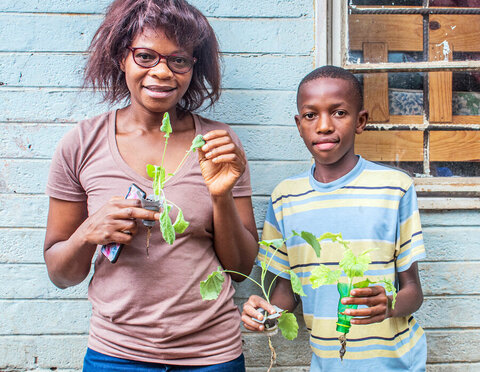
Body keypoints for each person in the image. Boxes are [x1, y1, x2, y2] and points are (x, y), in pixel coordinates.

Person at [44, 0, 258, 370]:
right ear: (121, 58)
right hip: (116, 355)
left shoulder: (217, 144)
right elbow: (62, 275)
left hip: (212, 356)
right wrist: (87, 233)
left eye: (179, 60)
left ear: (194, 67)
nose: (162, 72)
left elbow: (239, 270)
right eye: (145, 56)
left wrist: (221, 197)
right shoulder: (80, 144)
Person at [242, 66, 427, 371]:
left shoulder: (395, 187)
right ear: (299, 125)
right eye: (311, 115)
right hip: (327, 364)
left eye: (339, 113)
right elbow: (286, 294)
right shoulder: (284, 198)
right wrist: (267, 313)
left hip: (396, 363)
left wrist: (390, 304)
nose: (324, 126)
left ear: (360, 121)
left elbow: (414, 292)